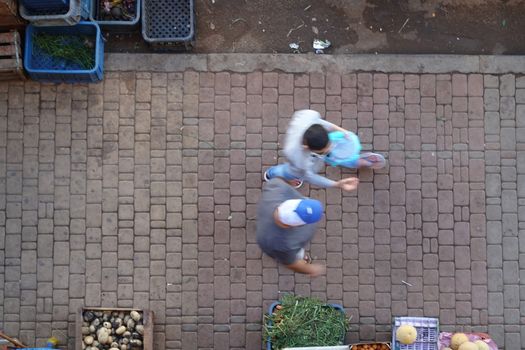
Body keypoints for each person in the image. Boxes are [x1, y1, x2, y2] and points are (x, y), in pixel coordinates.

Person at [264, 109, 384, 188]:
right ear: (307, 148)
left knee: (335, 156)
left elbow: (320, 123)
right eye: (324, 151)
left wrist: (342, 131)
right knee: (288, 172)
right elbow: (310, 177)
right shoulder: (299, 160)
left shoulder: (310, 116)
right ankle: (270, 174)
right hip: (295, 167)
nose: (329, 149)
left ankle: (357, 161)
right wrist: (337, 184)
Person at [256, 177, 327, 276]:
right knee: (294, 255)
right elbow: (290, 263)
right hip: (272, 247)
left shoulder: (275, 187)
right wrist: (309, 270)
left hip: (263, 221)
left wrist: (289, 180)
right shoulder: (285, 245)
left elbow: (279, 178)